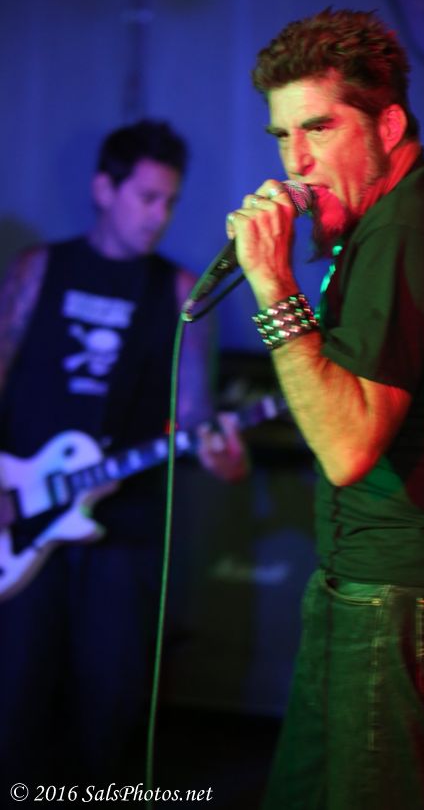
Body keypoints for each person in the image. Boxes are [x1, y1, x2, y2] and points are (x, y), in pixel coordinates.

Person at [226, 8, 424, 810]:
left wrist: (275, 286)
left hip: (400, 593)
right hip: (372, 585)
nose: (298, 161)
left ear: (387, 124)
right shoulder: (392, 222)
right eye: (283, 136)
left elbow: (348, 446)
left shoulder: (409, 225)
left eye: (319, 127)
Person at [0, 119, 248, 788]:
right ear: (103, 189)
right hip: (22, 515)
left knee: (107, 712)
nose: (159, 216)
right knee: (14, 701)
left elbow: (194, 416)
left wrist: (222, 454)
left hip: (125, 531)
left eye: (170, 201)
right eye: (146, 197)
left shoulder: (180, 291)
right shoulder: (38, 269)